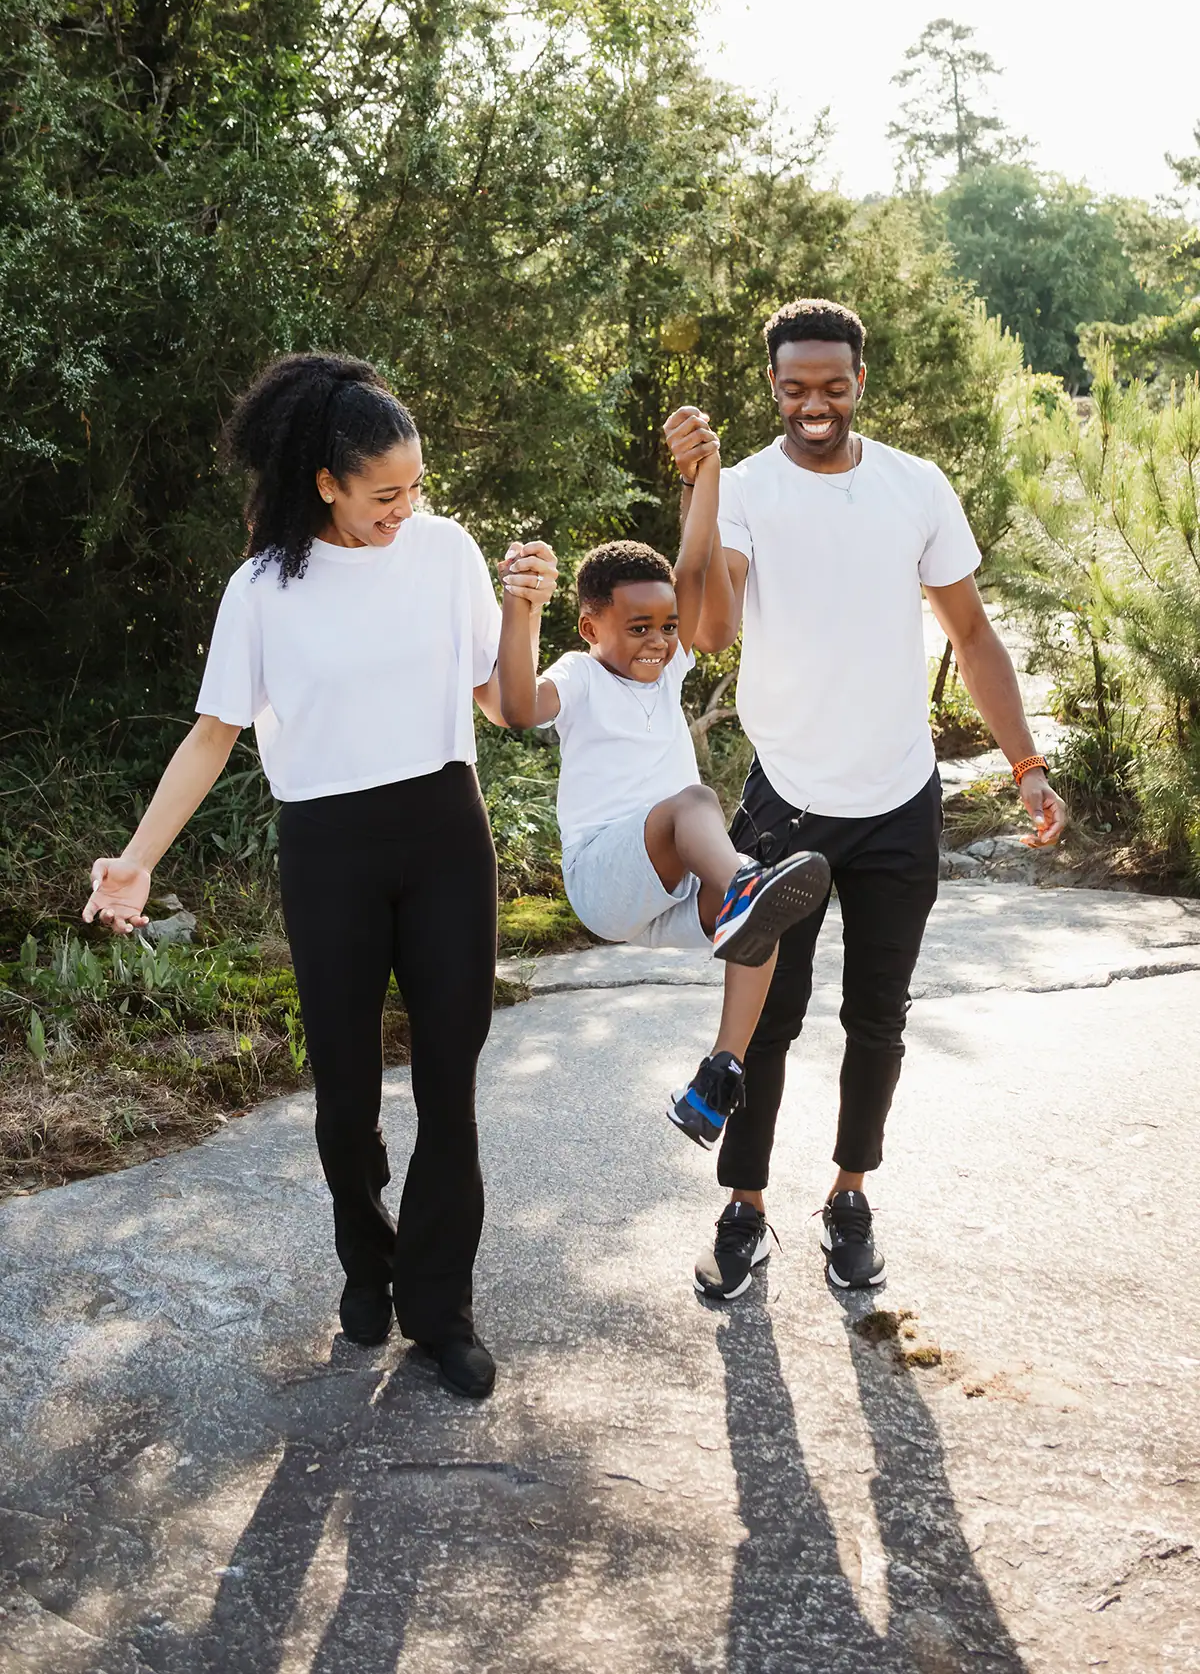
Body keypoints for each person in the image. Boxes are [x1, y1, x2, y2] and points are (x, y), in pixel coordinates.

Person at [82, 352, 557, 1399]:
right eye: (385, 492)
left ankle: (440, 1310)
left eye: (417, 486)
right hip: (329, 846)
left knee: (450, 1089)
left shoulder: (444, 554)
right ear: (326, 484)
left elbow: (509, 708)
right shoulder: (264, 587)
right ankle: (366, 1258)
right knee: (345, 1097)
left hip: (443, 829)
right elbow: (213, 737)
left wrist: (526, 612)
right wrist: (138, 862)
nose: (407, 507)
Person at [664, 298, 1067, 1302]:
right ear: (772, 386)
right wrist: (701, 492)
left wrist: (1025, 762)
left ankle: (849, 1195)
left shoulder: (913, 487)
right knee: (768, 1019)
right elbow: (710, 628)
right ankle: (745, 1206)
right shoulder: (747, 487)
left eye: (833, 386)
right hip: (788, 801)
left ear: (859, 382)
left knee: (878, 1016)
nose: (815, 404)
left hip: (900, 798)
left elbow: (972, 638)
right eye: (795, 387)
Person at [497, 428, 830, 1190]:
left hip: (669, 892)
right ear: (590, 626)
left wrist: (705, 470)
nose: (658, 642)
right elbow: (517, 707)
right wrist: (520, 608)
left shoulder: (670, 662)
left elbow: (689, 557)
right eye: (637, 628)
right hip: (604, 878)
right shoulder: (579, 675)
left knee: (762, 924)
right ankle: (742, 882)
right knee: (695, 805)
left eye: (667, 627)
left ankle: (718, 1077)